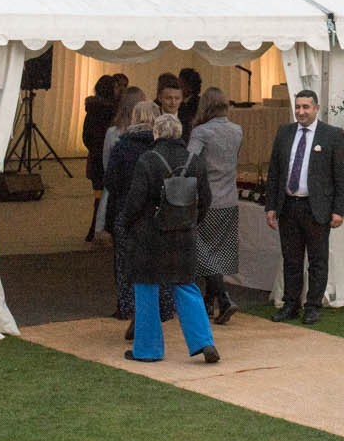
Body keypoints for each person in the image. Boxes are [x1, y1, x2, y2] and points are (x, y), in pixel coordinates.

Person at [116, 113, 219, 365]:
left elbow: (136, 200)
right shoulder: (195, 161)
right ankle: (204, 341)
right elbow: (205, 199)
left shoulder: (148, 160)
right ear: (180, 134)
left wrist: (123, 223)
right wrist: (191, 222)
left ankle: (148, 350)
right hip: (183, 235)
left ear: (156, 133)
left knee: (147, 291)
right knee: (186, 286)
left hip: (149, 236)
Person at [264, 89, 344, 324]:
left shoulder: (332, 135)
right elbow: (274, 172)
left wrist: (339, 210)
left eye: (306, 107)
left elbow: (342, 176)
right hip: (288, 206)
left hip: (317, 208)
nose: (301, 112)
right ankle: (290, 304)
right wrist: (270, 206)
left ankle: (312, 305)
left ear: (316, 108)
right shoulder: (285, 132)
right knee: (291, 258)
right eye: (298, 107)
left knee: (317, 260)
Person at [188, 89, 244, 324]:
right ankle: (209, 303)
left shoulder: (201, 132)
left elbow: (190, 164)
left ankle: (223, 298)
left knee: (201, 250)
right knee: (218, 252)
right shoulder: (236, 130)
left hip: (206, 200)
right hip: (229, 198)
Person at [102, 91, 151, 318]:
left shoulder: (118, 140)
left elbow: (109, 176)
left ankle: (125, 304)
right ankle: (149, 305)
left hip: (123, 206)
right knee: (148, 258)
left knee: (123, 258)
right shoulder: (156, 143)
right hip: (149, 210)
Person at [81, 74, 120, 243]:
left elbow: (86, 136)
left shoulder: (92, 110)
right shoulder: (113, 112)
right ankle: (100, 227)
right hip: (106, 159)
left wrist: (95, 150)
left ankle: (94, 228)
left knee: (98, 195)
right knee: (108, 196)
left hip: (95, 159)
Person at [176, 67, 203, 138]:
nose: (178, 87)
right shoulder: (178, 102)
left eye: (181, 84)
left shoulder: (198, 104)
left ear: (189, 86)